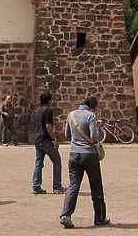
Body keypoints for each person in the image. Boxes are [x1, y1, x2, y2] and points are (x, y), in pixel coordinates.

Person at [59, 95, 108, 229]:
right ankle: (100, 217)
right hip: (89, 154)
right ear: (92, 106)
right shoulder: (91, 116)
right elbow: (93, 137)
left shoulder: (71, 115)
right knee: (96, 185)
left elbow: (67, 134)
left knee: (73, 185)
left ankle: (66, 214)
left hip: (74, 154)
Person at [31, 92, 65, 195]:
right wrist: (54, 139)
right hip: (46, 139)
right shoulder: (48, 110)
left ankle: (36, 186)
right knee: (57, 161)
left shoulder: (37, 110)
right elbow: (48, 126)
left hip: (37, 139)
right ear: (49, 101)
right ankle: (57, 186)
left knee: (39, 163)